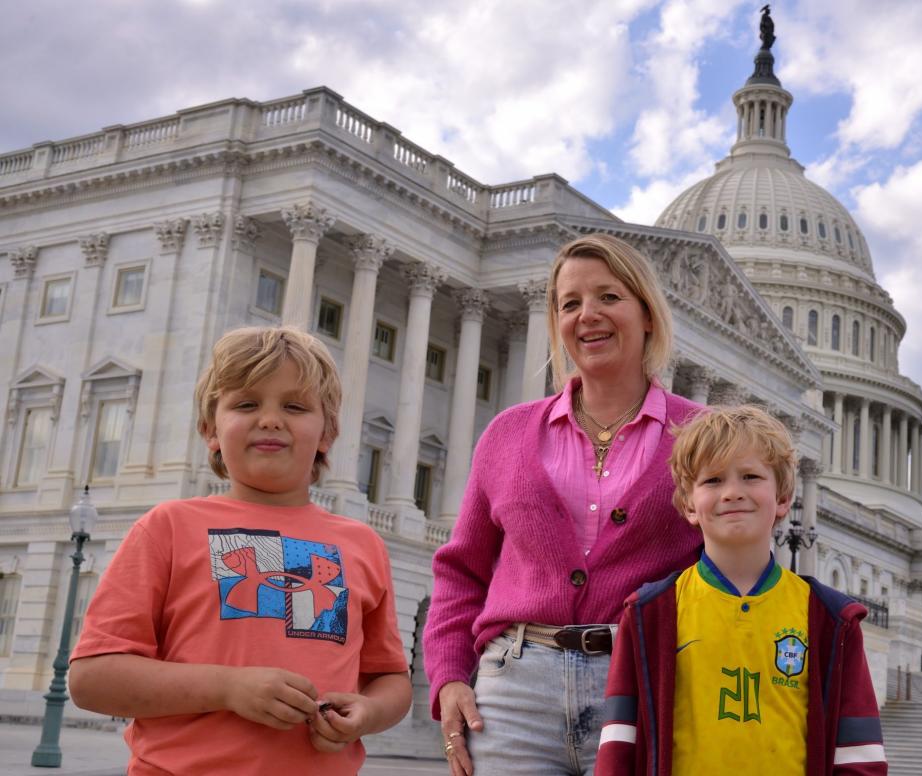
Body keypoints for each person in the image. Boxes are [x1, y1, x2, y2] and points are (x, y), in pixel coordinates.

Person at [69, 327, 412, 775]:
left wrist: (369, 713)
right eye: (247, 404)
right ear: (210, 429)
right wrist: (228, 687)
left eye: (294, 406)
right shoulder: (167, 527)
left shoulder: (363, 545)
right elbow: (91, 680)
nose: (270, 419)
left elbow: (390, 679)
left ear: (327, 432)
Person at [424, 234, 704, 776]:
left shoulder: (701, 434)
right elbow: (461, 570)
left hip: (645, 685)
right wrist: (450, 675)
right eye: (570, 303)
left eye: (608, 297)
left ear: (647, 313)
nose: (587, 316)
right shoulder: (508, 434)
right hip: (515, 691)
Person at [596, 405, 887, 775]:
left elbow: (859, 756)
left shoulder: (831, 621)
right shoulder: (648, 614)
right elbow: (619, 746)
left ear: (783, 499)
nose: (732, 492)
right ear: (689, 504)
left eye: (750, 476)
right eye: (713, 480)